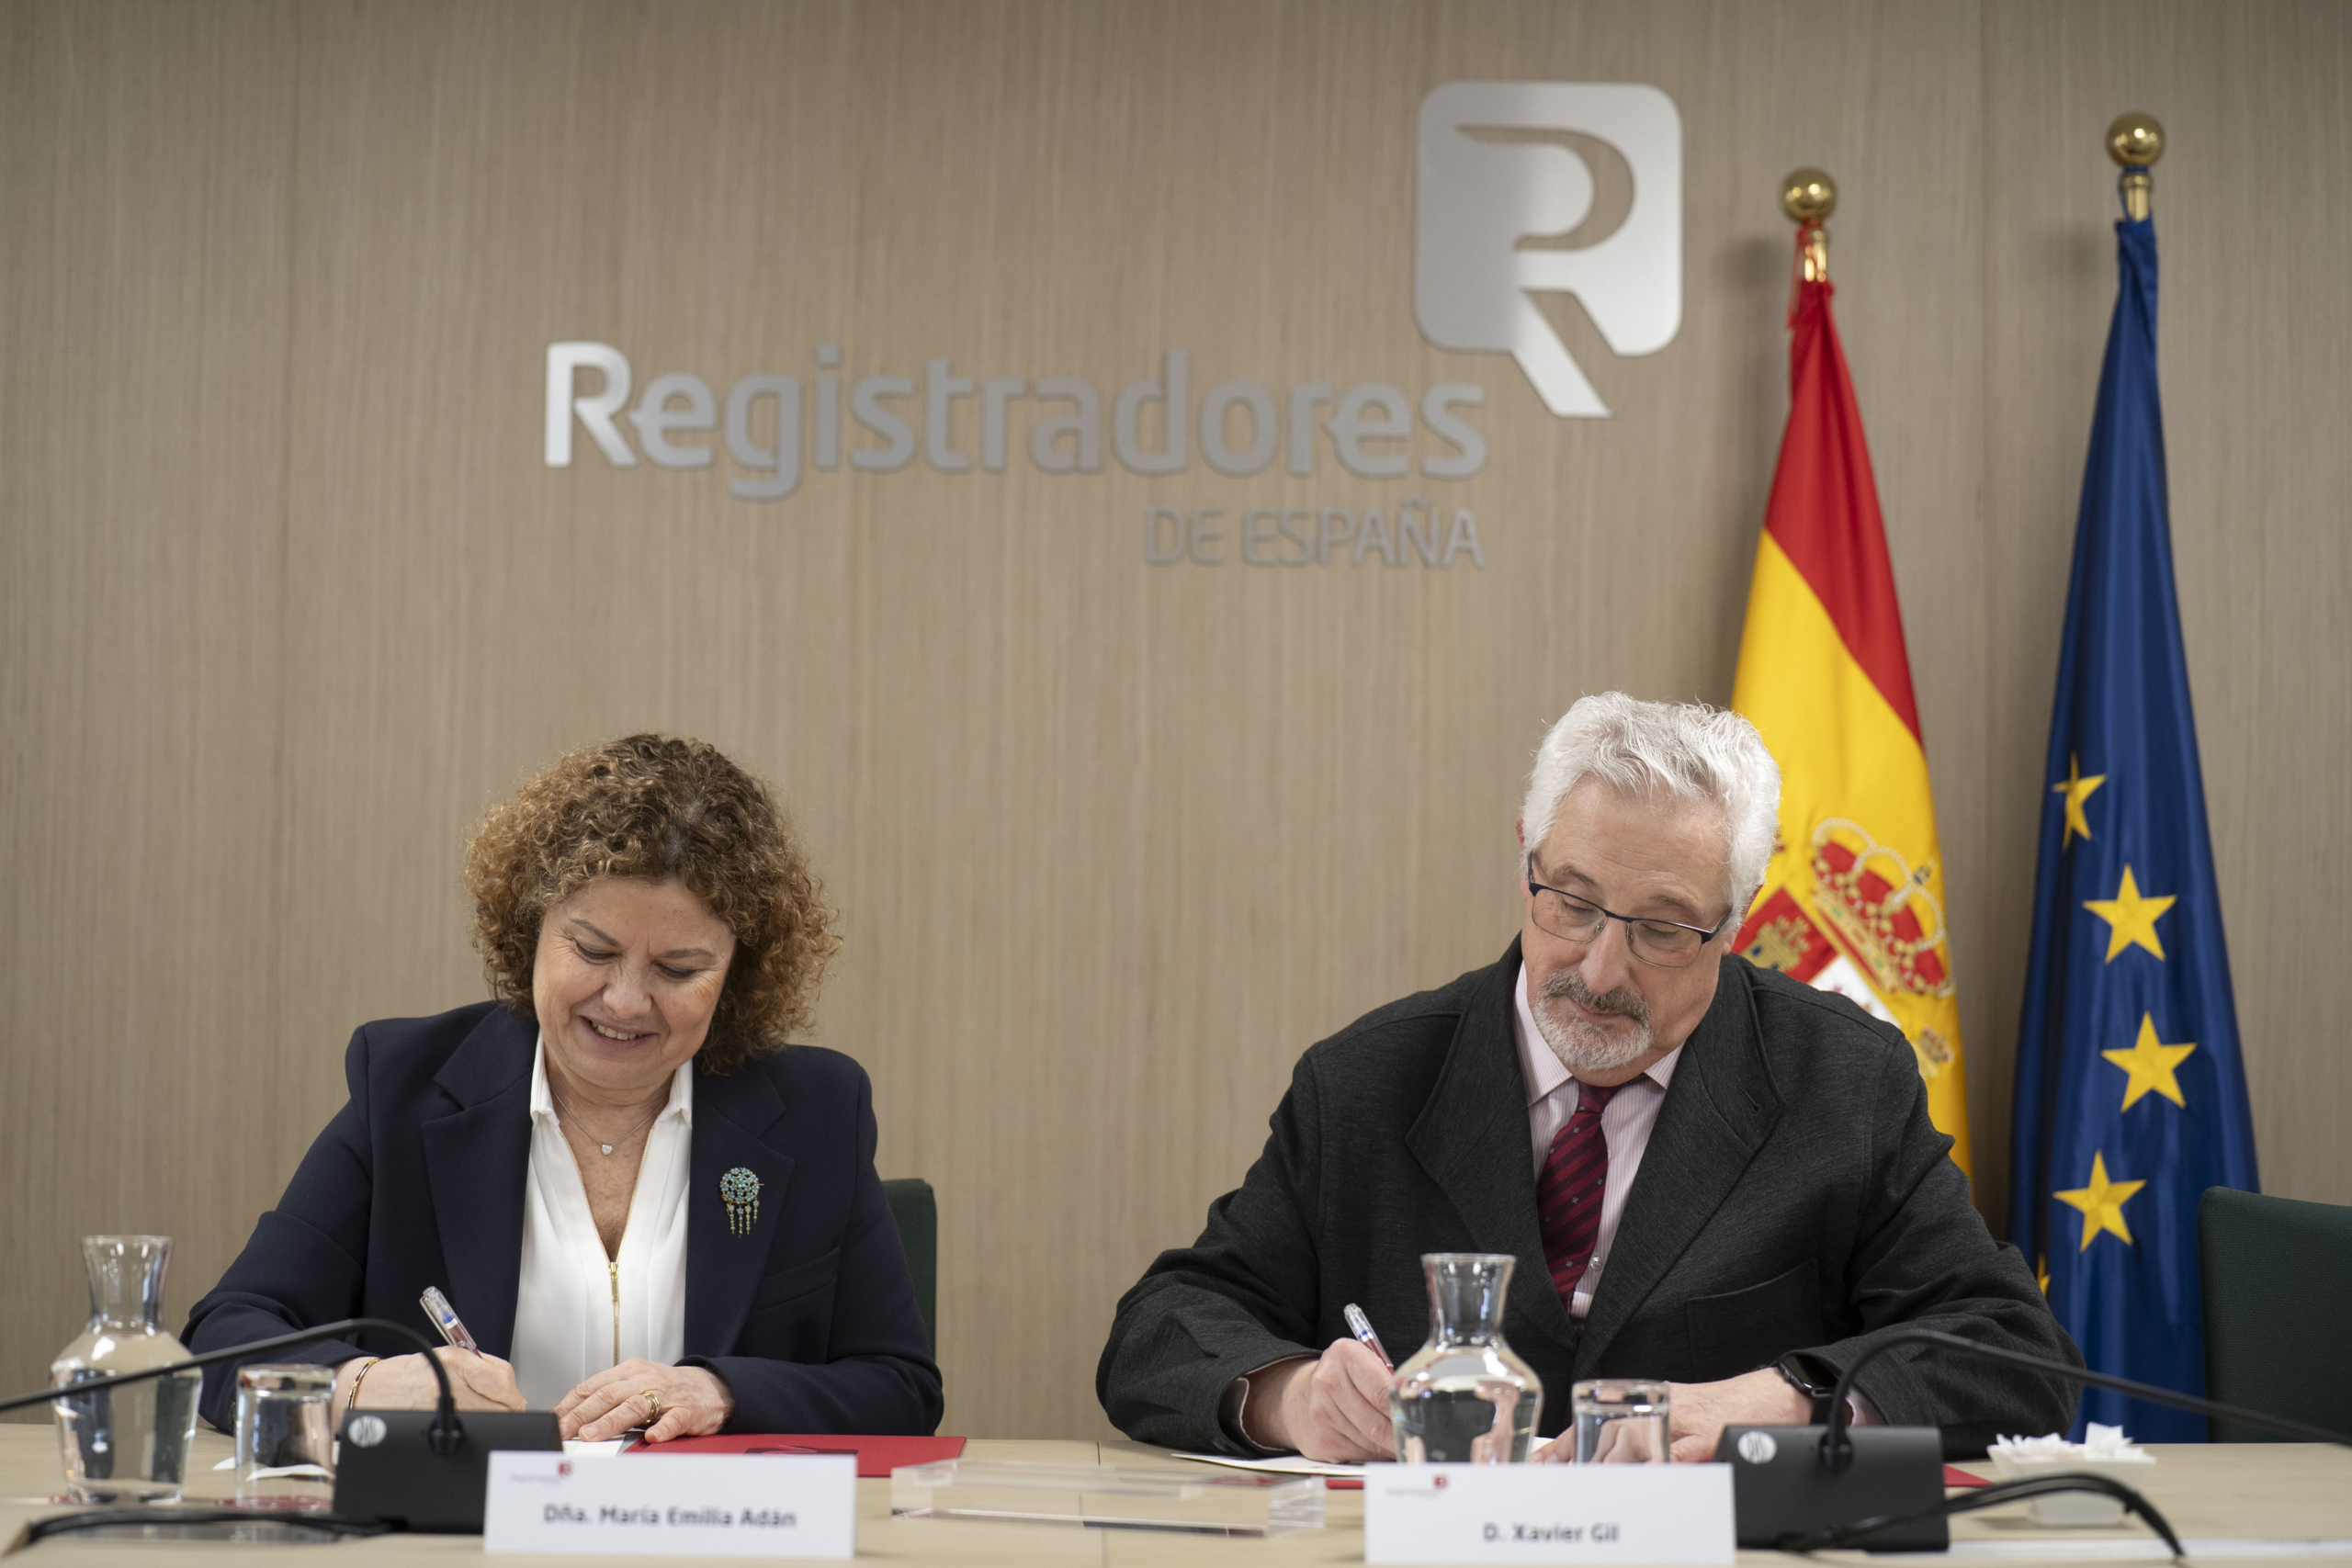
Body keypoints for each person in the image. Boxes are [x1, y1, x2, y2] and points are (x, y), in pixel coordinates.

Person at [1098, 694, 2078, 1462]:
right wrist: (1290, 1398)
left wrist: (1786, 1399)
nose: (1600, 971)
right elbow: (1162, 1329)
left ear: (1736, 919)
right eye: (1571, 902)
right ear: (1524, 855)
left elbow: (2012, 1352)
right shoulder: (1366, 1080)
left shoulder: (1843, 1083)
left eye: (1662, 928)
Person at [187, 735, 939, 1441]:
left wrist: (723, 1391)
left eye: (678, 969)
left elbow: (900, 1386)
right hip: (467, 1524)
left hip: (706, 1523)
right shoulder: (405, 1089)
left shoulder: (816, 1112)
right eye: (593, 949)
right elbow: (223, 1337)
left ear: (737, 974)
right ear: (531, 926)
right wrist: (363, 1385)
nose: (625, 1000)